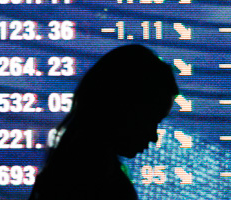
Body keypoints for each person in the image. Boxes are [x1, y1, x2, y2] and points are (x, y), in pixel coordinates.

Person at [28, 44, 179, 199]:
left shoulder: (60, 176)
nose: (153, 137)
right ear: (121, 108)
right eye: (150, 120)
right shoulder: (106, 188)